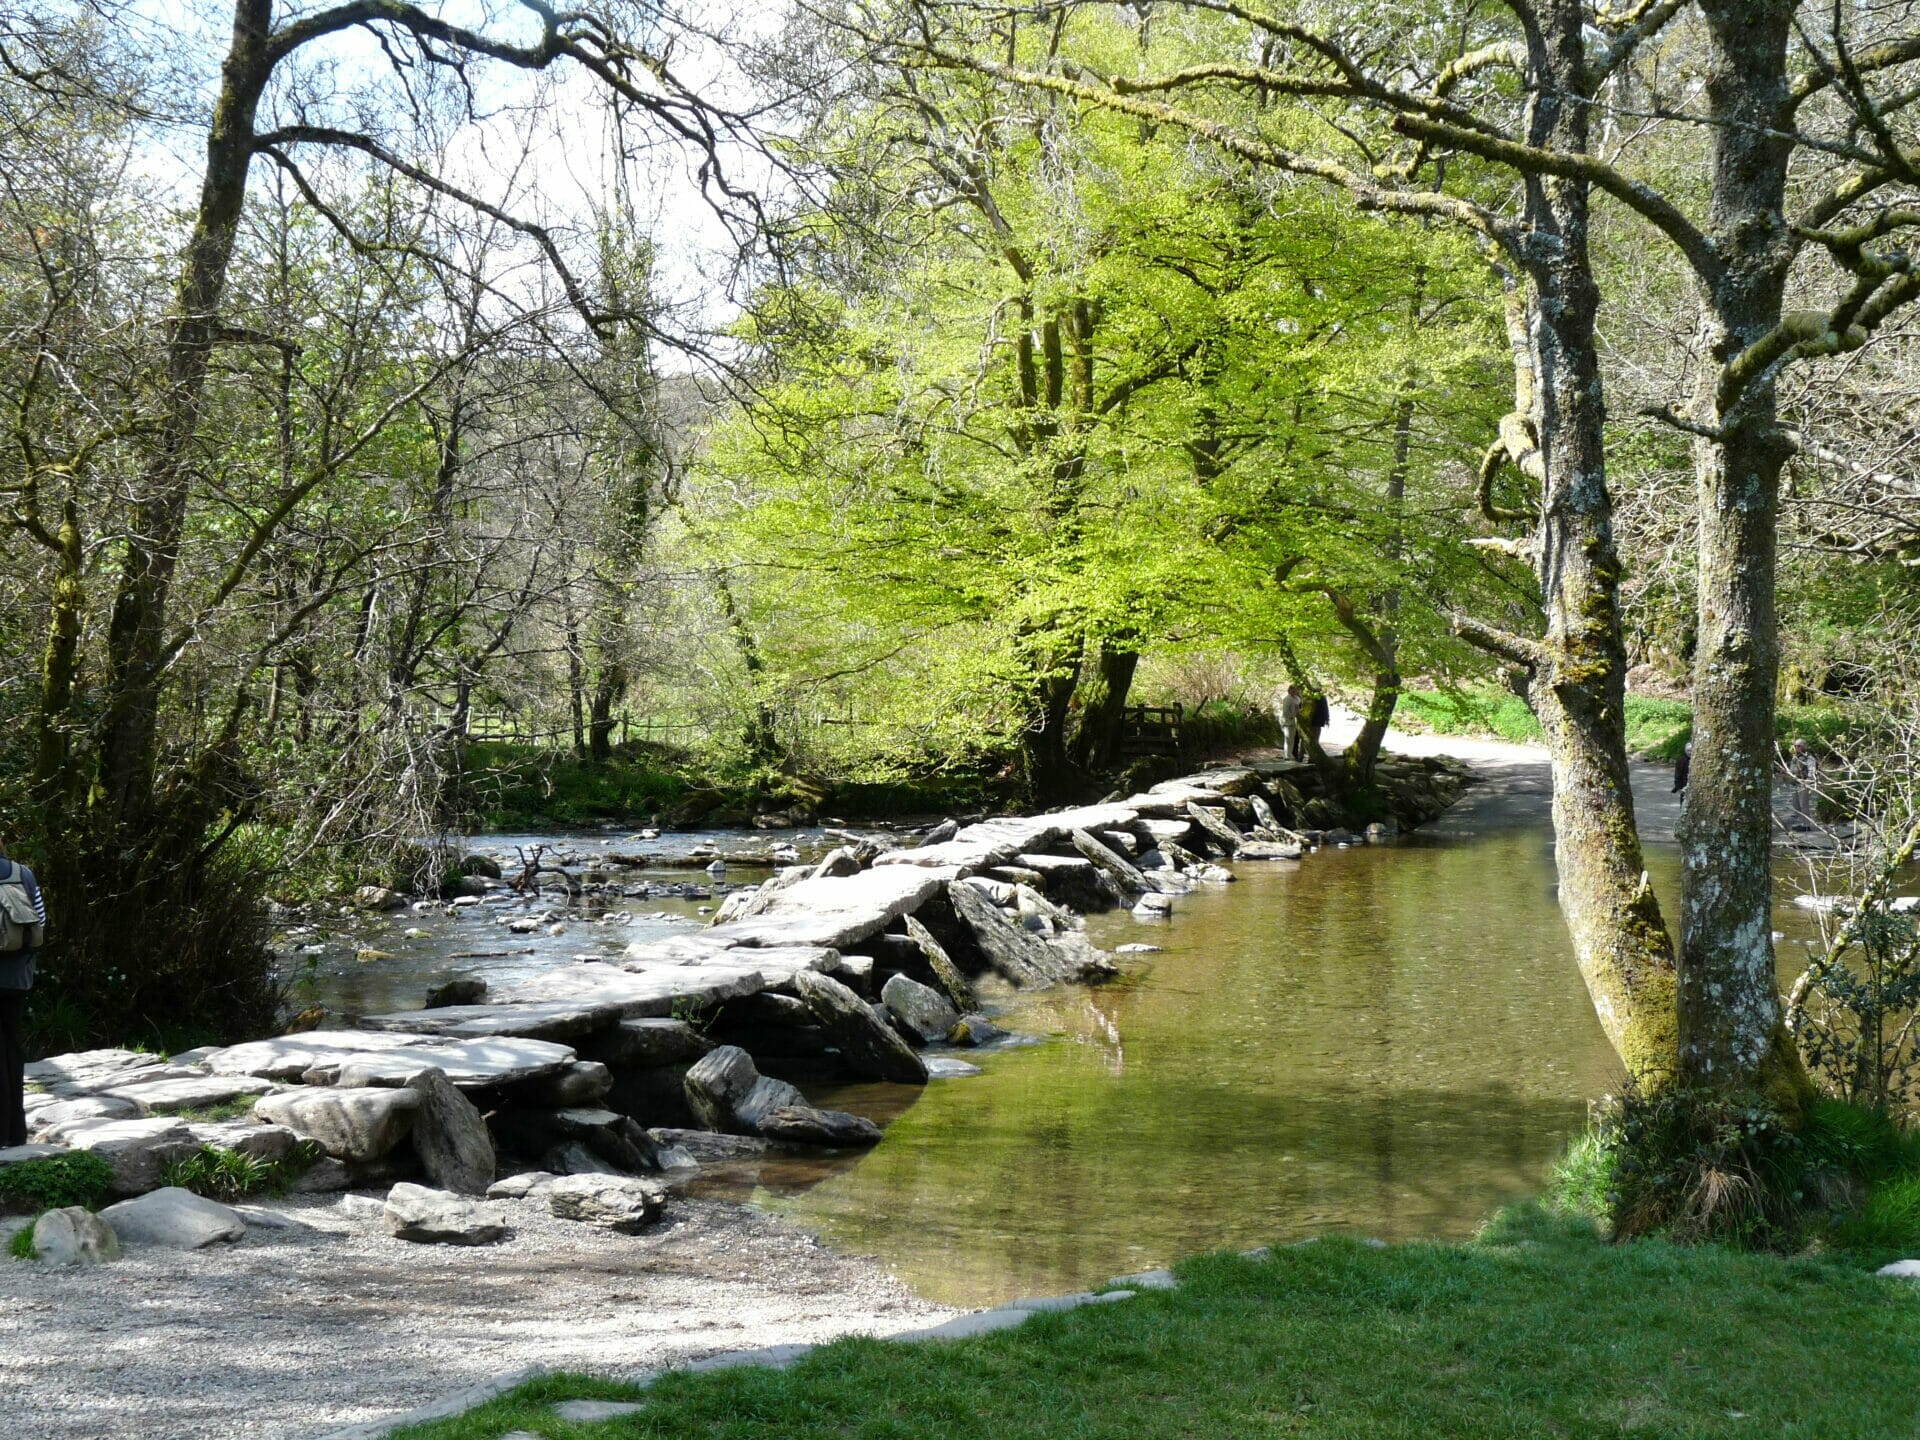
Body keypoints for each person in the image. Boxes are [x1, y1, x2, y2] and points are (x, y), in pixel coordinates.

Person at [0, 839, 45, 1148]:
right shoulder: (22, 873)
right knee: (12, 1051)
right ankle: (16, 1134)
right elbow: (40, 921)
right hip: (16, 979)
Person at [1785, 737, 1819, 830]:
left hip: (1803, 783)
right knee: (1796, 805)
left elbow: (1812, 770)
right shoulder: (1795, 757)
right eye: (1795, 746)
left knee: (1804, 805)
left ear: (1804, 746)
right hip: (1795, 783)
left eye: (1798, 746)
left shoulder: (1809, 757)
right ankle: (1801, 822)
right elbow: (1792, 769)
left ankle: (1806, 825)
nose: (1796, 747)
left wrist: (1808, 781)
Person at [1276, 683, 1304, 760]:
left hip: (1294, 722)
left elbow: (1298, 708)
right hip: (1287, 721)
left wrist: (1299, 710)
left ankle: (1290, 754)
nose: (1294, 691)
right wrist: (1295, 714)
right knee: (1288, 739)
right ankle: (1287, 755)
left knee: (1292, 739)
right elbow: (1285, 712)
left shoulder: (1297, 698)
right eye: (1293, 690)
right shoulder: (1287, 699)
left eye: (1296, 690)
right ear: (1289, 690)